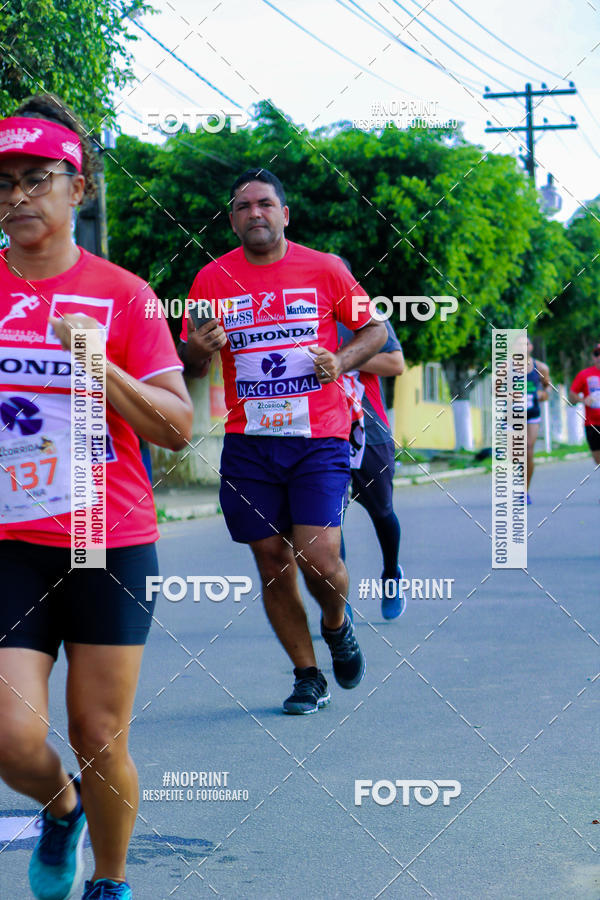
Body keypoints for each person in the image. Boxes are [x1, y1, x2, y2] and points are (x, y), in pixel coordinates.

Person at [0, 94, 193, 900]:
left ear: (79, 190)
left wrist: (101, 368)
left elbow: (178, 429)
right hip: (9, 540)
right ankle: (59, 807)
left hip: (103, 538)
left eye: (37, 178)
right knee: (10, 736)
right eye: (3, 181)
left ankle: (107, 883)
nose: (17, 196)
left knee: (98, 733)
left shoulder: (125, 294)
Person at [178, 168, 386, 715]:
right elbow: (192, 367)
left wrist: (339, 361)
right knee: (272, 560)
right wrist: (199, 348)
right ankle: (306, 675)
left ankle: (337, 626)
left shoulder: (324, 269)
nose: (255, 213)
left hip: (318, 437)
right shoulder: (211, 280)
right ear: (231, 219)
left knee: (319, 557)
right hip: (249, 442)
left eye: (265, 204)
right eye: (243, 206)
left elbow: (376, 331)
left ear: (284, 213)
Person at [337, 311, 406, 619]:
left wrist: (341, 358)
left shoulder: (364, 316)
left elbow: (395, 364)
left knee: (382, 511)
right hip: (320, 435)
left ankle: (391, 574)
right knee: (327, 522)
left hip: (370, 432)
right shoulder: (297, 317)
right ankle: (339, 602)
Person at [526, 339, 550, 504]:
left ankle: (524, 491)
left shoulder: (540, 368)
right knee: (514, 455)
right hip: (511, 416)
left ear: (531, 347)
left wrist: (542, 394)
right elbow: (495, 390)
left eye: (526, 344)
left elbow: (547, 388)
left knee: (528, 450)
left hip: (532, 414)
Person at [569, 342, 600, 469]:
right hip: (592, 424)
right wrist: (583, 399)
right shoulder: (584, 374)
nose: (599, 356)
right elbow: (571, 396)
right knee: (597, 460)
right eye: (597, 354)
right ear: (593, 357)